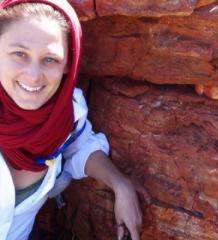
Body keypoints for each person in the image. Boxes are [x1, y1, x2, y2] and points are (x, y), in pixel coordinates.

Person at [0, 0, 142, 240]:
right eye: (19, 54)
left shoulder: (65, 115)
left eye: (50, 59)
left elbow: (78, 145)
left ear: (68, 64)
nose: (34, 76)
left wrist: (121, 184)